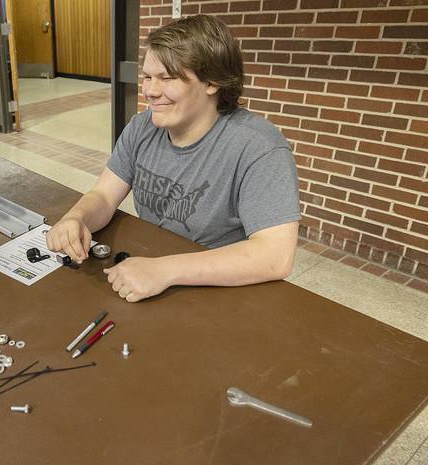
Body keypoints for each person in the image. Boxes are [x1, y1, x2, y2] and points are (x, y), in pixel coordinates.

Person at [46, 15, 300, 303]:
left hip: (218, 288)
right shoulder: (142, 127)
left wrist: (165, 270)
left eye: (167, 78)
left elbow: (275, 256)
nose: (150, 91)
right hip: (150, 268)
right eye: (147, 77)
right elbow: (104, 194)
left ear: (212, 82)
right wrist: (76, 218)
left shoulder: (259, 147)